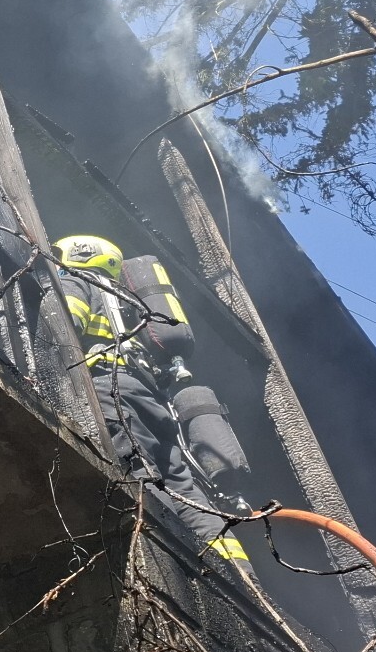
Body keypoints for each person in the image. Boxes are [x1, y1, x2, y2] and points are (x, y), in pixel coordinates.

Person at [53, 234, 251, 566]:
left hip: (109, 387)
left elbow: (62, 327)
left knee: (137, 468)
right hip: (153, 401)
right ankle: (237, 569)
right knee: (183, 486)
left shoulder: (79, 282)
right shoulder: (132, 305)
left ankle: (168, 551)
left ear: (81, 254)